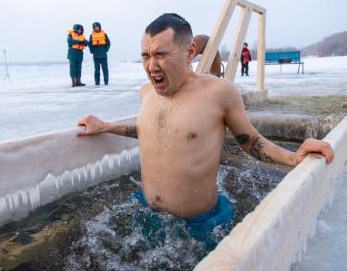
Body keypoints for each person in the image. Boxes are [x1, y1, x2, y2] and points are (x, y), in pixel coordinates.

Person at [76, 13, 334, 245]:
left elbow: (251, 141)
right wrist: (106, 126)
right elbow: (150, 130)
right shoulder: (146, 93)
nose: (151, 65)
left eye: (161, 54)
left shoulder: (218, 93)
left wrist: (293, 156)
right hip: (147, 211)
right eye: (146, 55)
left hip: (201, 225)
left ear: (189, 53)